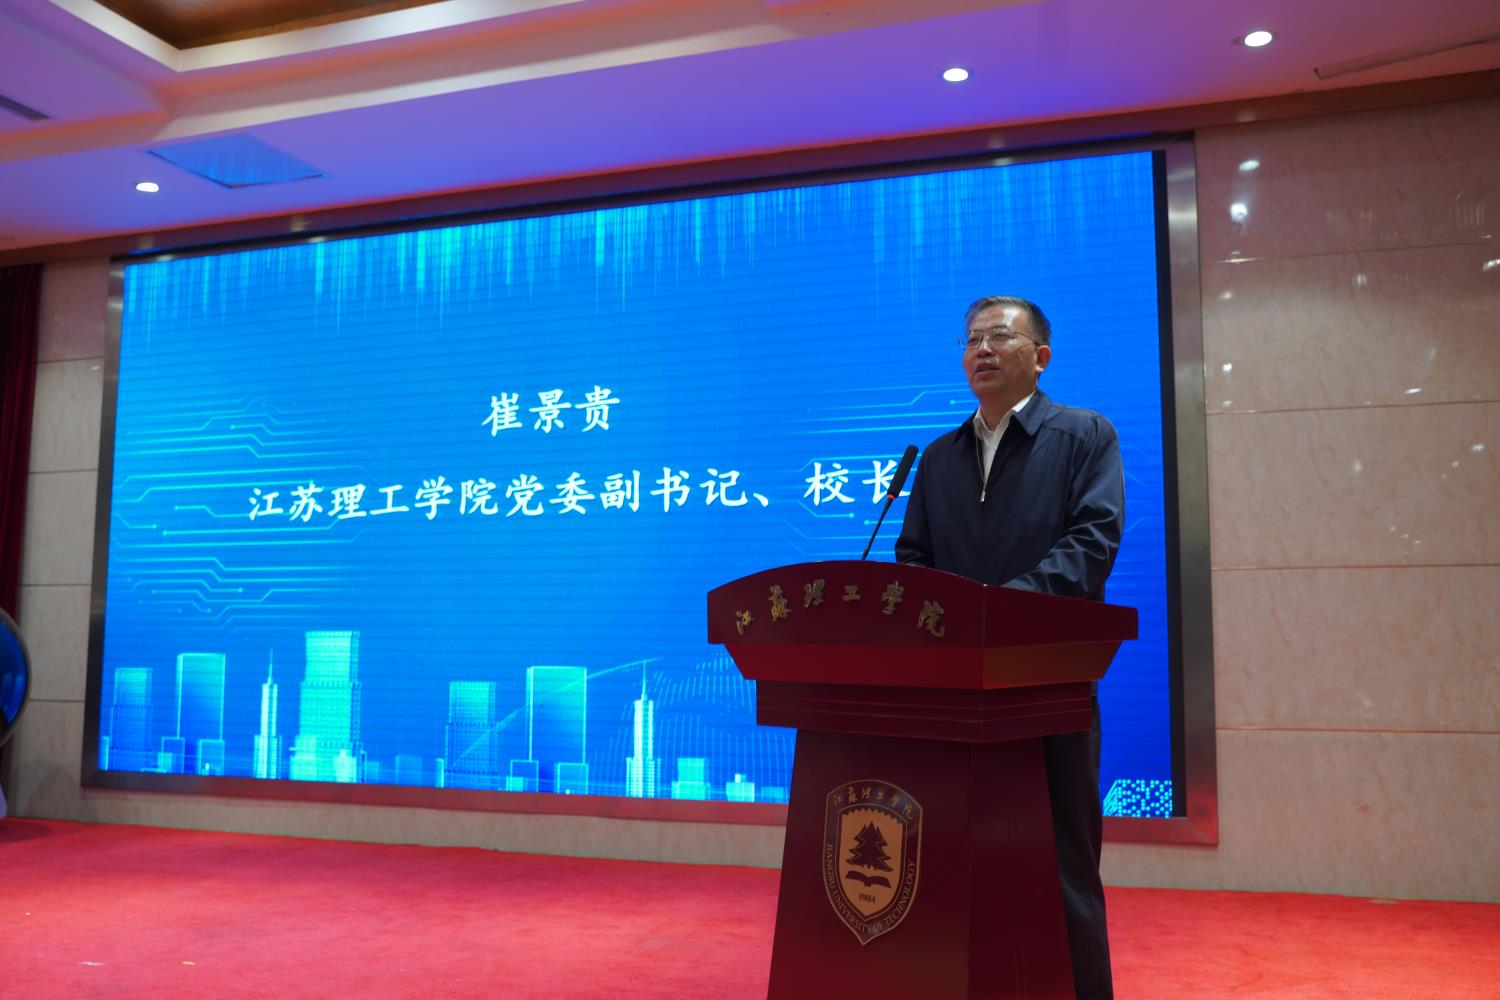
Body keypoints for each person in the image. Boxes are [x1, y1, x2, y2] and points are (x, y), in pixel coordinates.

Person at [895, 295, 1124, 1000]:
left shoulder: (1083, 435)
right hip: (955, 697)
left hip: (1046, 687)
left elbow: (1092, 543)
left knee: (1061, 863)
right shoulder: (939, 457)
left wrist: (999, 611)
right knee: (956, 862)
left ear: (1040, 357)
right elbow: (913, 559)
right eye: (972, 340)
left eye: (999, 336)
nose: (982, 350)